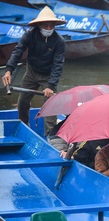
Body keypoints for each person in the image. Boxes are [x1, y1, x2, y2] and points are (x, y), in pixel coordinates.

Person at [2, 6, 66, 136]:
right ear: (39, 25)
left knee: (51, 105)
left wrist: (50, 86)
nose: (48, 29)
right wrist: (9, 70)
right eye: (45, 26)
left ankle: (50, 135)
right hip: (31, 72)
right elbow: (18, 51)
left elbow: (58, 65)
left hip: (48, 75)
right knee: (23, 101)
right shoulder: (30, 34)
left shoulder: (59, 41)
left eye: (51, 26)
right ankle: (24, 125)